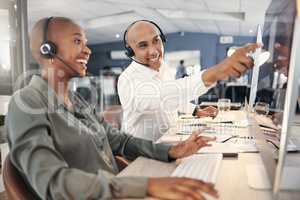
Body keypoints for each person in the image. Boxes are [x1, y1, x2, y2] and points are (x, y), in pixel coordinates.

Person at [6, 17, 218, 200]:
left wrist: (171, 151)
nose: (88, 50)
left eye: (86, 42)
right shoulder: (26, 104)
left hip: (117, 189)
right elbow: (53, 183)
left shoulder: (76, 99)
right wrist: (146, 185)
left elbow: (120, 141)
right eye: (77, 41)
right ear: (48, 50)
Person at [118, 20, 260, 141]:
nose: (154, 50)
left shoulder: (164, 69)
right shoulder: (127, 79)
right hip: (142, 155)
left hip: (170, 142)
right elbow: (160, 96)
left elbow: (171, 100)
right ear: (130, 52)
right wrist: (216, 72)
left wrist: (195, 110)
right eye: (143, 45)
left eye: (156, 41)